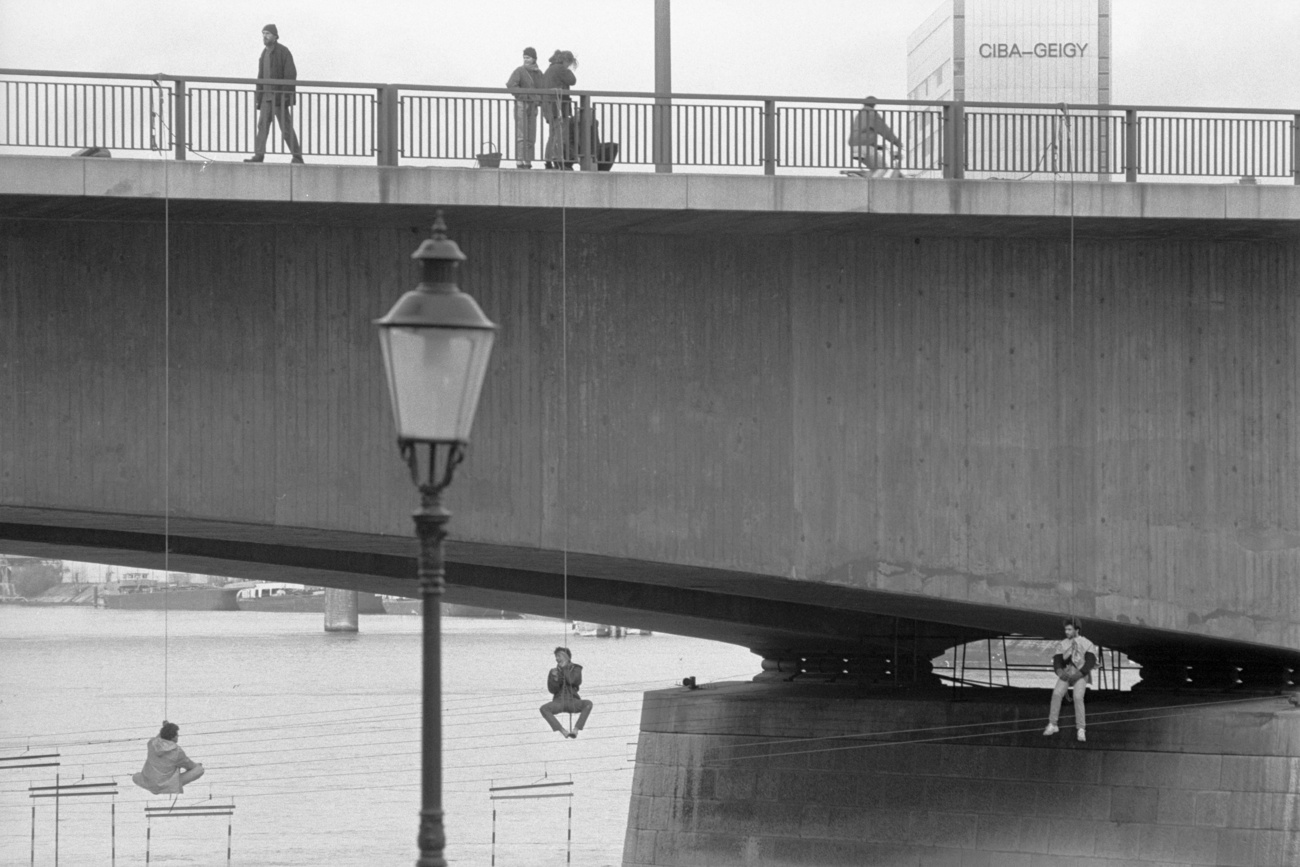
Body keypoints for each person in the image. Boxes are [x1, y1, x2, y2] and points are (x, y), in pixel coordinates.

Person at [245, 24, 303, 164]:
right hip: (266, 97)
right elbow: (260, 77)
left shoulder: (283, 52)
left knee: (286, 128)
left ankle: (297, 156)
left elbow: (290, 74)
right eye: (263, 33)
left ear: (275, 36)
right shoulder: (263, 53)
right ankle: (259, 156)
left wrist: (285, 96)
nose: (265, 36)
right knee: (262, 126)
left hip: (279, 97)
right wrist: (259, 97)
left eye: (268, 34)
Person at [1043, 618, 1097, 742]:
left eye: (1069, 629)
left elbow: (1090, 661)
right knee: (1056, 693)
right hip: (1067, 672)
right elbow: (1057, 660)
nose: (1066, 632)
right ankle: (1053, 724)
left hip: (1080, 674)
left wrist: (1080, 673)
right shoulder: (1063, 644)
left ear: (1076, 630)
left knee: (1078, 697)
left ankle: (1081, 728)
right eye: (1065, 629)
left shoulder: (1087, 643)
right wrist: (1060, 672)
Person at [131, 721, 205, 794]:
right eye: (177, 735)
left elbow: (159, 737)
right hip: (167, 786)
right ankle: (168, 788)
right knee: (200, 770)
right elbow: (190, 766)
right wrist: (197, 765)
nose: (178, 736)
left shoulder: (151, 743)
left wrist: (165, 727)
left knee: (134, 777)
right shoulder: (177, 751)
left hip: (148, 784)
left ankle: (154, 787)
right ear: (173, 736)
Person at [540, 646, 593, 738]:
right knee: (544, 708)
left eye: (559, 656)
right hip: (559, 701)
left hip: (573, 701)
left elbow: (572, 681)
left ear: (567, 657)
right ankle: (562, 730)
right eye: (556, 656)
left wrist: (564, 668)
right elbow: (552, 690)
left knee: (588, 703)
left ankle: (576, 729)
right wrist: (555, 679)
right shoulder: (553, 671)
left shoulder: (576, 668)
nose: (557, 659)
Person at [506, 47, 546, 169]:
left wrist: (538, 99)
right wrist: (525, 95)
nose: (526, 60)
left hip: (533, 105)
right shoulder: (519, 71)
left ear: (534, 58)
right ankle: (519, 161)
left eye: (528, 57)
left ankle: (528, 161)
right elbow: (511, 85)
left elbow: (543, 88)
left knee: (531, 135)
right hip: (522, 104)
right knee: (521, 134)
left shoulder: (539, 73)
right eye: (524, 57)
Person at [848, 96, 903, 178]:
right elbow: (884, 130)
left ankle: (861, 176)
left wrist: (876, 146)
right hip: (865, 147)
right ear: (874, 104)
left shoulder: (859, 114)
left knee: (875, 169)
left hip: (855, 146)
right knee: (883, 168)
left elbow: (863, 132)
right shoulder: (872, 114)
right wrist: (896, 142)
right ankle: (873, 185)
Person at [541, 50, 578, 169]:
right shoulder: (561, 68)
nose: (569, 66)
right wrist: (567, 70)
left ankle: (548, 160)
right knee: (560, 134)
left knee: (552, 134)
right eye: (570, 63)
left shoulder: (549, 69)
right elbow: (572, 80)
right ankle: (557, 160)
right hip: (558, 106)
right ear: (566, 60)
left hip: (549, 107)